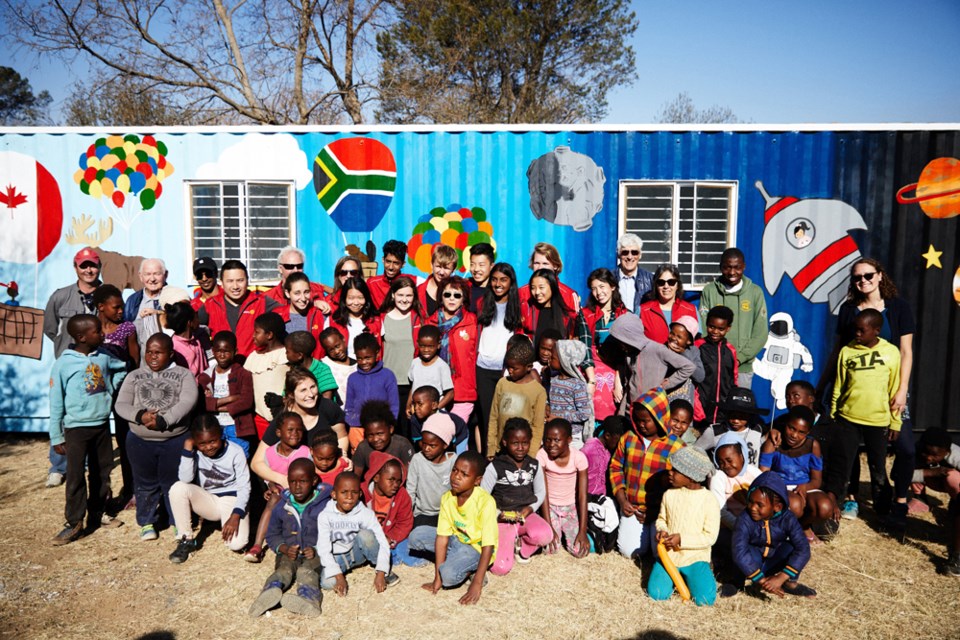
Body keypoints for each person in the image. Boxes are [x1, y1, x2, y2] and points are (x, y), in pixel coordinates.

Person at [818, 258, 916, 530]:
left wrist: (903, 389)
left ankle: (898, 500)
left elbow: (906, 352)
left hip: (891, 389)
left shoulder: (899, 308)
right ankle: (850, 497)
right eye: (857, 278)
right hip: (855, 394)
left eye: (868, 275)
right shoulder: (850, 310)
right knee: (847, 448)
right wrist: (822, 385)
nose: (863, 281)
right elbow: (839, 352)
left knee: (905, 448)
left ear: (880, 275)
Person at [48, 314, 127, 545]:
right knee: (74, 477)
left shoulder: (104, 357)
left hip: (101, 425)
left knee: (102, 472)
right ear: (82, 337)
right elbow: (56, 401)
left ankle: (97, 512)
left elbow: (121, 367)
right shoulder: (64, 363)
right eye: (97, 331)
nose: (103, 334)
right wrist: (56, 435)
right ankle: (73, 523)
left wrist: (111, 389)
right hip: (76, 429)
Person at [115, 333, 199, 542]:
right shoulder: (134, 376)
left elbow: (188, 400)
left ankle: (177, 521)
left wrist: (164, 420)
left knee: (173, 482)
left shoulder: (183, 374)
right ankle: (147, 522)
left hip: (174, 439)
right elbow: (121, 404)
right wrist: (139, 416)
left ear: (170, 353)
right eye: (149, 352)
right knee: (145, 483)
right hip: (140, 441)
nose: (152, 357)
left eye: (158, 353)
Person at [831, 308, 901, 522]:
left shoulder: (891, 352)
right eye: (855, 330)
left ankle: (882, 507)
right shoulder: (847, 351)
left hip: (878, 420)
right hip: (848, 418)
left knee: (877, 466)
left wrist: (895, 422)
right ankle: (847, 501)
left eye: (862, 330)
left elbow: (895, 389)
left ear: (876, 331)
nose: (857, 334)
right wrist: (834, 412)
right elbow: (839, 386)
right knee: (847, 463)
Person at [43, 247, 104, 487]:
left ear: (99, 267)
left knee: (91, 410)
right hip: (69, 366)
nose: (89, 270)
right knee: (61, 411)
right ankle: (58, 466)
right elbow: (50, 328)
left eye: (93, 265)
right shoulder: (61, 296)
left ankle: (89, 461)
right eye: (84, 265)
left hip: (96, 364)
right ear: (75, 267)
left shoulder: (107, 294)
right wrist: (65, 352)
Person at [248, 458, 332, 618]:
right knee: (283, 570)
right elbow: (272, 534)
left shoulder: (325, 505)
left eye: (303, 481)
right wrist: (284, 548)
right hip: (289, 552)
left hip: (316, 553)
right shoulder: (282, 505)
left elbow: (333, 533)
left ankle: (309, 600)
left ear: (314, 481)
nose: (297, 486)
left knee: (306, 572)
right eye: (292, 482)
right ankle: (268, 593)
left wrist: (316, 548)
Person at [610, 387, 685, 559]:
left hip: (662, 512)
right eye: (637, 420)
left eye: (646, 421)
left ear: (660, 418)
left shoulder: (676, 446)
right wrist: (622, 500)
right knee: (630, 552)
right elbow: (615, 467)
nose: (641, 425)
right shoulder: (629, 438)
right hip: (633, 508)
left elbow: (681, 486)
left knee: (661, 554)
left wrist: (656, 511)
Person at [167, 415, 251, 563]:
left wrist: (236, 515)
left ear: (221, 435)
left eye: (213, 441)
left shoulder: (235, 452)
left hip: (232, 499)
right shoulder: (195, 452)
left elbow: (244, 487)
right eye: (202, 443)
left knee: (237, 544)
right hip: (209, 499)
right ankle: (185, 539)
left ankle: (228, 520)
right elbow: (185, 479)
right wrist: (188, 448)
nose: (208, 447)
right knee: (178, 488)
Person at [419, 451, 498, 605]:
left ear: (477, 480)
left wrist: (476, 583)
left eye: (464, 474)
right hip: (456, 541)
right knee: (417, 535)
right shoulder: (448, 498)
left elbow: (489, 545)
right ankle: (455, 559)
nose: (456, 476)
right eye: (455, 470)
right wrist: (437, 577)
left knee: (448, 576)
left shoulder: (486, 502)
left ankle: (470, 569)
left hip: (477, 548)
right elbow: (442, 537)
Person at [649, 446, 721, 606]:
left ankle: (691, 576)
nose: (670, 472)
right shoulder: (669, 494)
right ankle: (676, 578)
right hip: (669, 557)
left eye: (675, 470)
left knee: (705, 600)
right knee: (657, 594)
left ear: (692, 477)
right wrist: (662, 531)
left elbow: (710, 536)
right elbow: (662, 519)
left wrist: (682, 539)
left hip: (695, 558)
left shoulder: (709, 500)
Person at [479, 418, 551, 573]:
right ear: (505, 442)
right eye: (515, 443)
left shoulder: (534, 465)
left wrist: (530, 509)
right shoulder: (495, 467)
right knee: (500, 568)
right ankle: (507, 541)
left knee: (545, 535)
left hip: (526, 516)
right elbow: (483, 497)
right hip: (502, 518)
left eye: (525, 443)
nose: (520, 448)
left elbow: (540, 492)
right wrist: (499, 515)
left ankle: (522, 548)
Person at [732, 471, 815, 597]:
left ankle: (789, 583)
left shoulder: (788, 518)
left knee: (792, 548)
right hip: (754, 562)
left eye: (760, 505)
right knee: (743, 551)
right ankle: (737, 582)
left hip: (774, 560)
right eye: (750, 501)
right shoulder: (745, 518)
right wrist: (762, 581)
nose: (753, 508)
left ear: (778, 507)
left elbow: (803, 549)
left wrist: (780, 578)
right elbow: (739, 551)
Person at [93, 284, 139, 506]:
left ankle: (131, 489)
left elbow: (135, 361)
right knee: (100, 444)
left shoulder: (127, 328)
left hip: (122, 392)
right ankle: (102, 493)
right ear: (101, 307)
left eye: (122, 307)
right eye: (116, 307)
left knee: (125, 440)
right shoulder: (91, 329)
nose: (121, 311)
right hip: (96, 393)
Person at [697, 248, 767, 391]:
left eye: (737, 267)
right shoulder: (710, 291)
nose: (732, 272)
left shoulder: (755, 292)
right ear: (721, 267)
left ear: (744, 267)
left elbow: (760, 333)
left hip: (742, 368)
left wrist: (738, 358)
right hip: (712, 366)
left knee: (736, 411)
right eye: (727, 267)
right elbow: (703, 327)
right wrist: (713, 358)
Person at [761, 406, 833, 545]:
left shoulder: (813, 445)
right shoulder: (774, 442)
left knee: (825, 507)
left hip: (805, 486)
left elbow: (817, 480)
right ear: (785, 424)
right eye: (791, 428)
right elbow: (764, 475)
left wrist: (804, 487)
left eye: (801, 432)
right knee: (794, 504)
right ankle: (786, 533)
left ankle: (803, 526)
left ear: (809, 432)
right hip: (779, 486)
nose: (794, 435)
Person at [317, 472, 397, 593]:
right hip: (340, 556)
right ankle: (344, 569)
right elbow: (323, 549)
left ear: (359, 494)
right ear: (334, 494)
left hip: (358, 552)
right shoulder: (325, 516)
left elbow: (382, 541)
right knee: (327, 583)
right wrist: (339, 577)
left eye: (354, 493)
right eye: (344, 492)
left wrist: (381, 573)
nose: (349, 497)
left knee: (366, 535)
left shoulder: (365, 513)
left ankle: (384, 569)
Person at [248, 412, 312, 562]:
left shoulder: (305, 452)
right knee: (273, 501)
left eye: (299, 430)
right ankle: (257, 546)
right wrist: (271, 486)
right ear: (278, 432)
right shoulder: (269, 453)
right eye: (290, 430)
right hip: (279, 495)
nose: (295, 434)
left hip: (301, 495)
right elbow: (268, 476)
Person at [475, 262, 523, 456]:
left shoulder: (519, 307)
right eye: (494, 279)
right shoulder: (482, 304)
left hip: (507, 372)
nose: (498, 284)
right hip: (483, 370)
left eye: (503, 280)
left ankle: (506, 459)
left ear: (511, 283)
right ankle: (489, 459)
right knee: (487, 418)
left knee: (509, 416)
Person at [605, 313, 695, 414]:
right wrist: (621, 413)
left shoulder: (657, 350)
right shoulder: (629, 355)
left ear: (632, 336)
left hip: (652, 411)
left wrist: (667, 383)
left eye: (623, 341)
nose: (621, 346)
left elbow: (688, 367)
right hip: (630, 410)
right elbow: (629, 386)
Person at [577, 268, 628, 424]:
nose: (598, 292)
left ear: (612, 286)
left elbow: (625, 352)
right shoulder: (585, 314)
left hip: (618, 368)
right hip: (592, 367)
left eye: (602, 286)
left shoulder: (624, 314)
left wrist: (618, 380)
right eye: (594, 288)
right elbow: (585, 347)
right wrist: (591, 380)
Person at [199, 260, 281, 358]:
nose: (235, 286)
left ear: (247, 280)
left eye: (240, 280)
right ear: (221, 282)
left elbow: (289, 316)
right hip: (224, 368)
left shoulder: (262, 302)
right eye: (230, 281)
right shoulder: (210, 305)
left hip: (254, 367)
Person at [406, 414, 458, 564]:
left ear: (445, 445)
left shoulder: (454, 461)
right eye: (424, 443)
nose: (426, 448)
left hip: (447, 515)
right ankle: (445, 550)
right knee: (416, 536)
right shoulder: (417, 459)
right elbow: (411, 490)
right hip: (424, 514)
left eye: (432, 445)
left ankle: (444, 550)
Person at [426, 276, 478, 425]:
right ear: (441, 297)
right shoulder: (431, 323)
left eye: (457, 295)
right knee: (436, 435)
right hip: (436, 391)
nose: (452, 299)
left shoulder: (472, 322)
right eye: (447, 294)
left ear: (463, 299)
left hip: (462, 391)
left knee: (457, 433)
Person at [909, 428, 960, 576]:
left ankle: (956, 503)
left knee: (952, 478)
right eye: (927, 453)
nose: (929, 458)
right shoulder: (913, 451)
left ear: (947, 452)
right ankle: (920, 499)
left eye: (935, 455)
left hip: (952, 482)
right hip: (932, 479)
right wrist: (929, 472)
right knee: (911, 471)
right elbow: (898, 474)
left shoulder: (956, 456)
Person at [538, 418, 590, 558]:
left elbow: (582, 496)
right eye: (547, 440)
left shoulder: (579, 458)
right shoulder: (542, 456)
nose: (551, 445)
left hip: (570, 508)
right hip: (550, 507)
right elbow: (543, 492)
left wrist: (582, 531)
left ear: (569, 440)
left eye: (556, 440)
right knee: (550, 549)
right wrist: (549, 525)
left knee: (579, 551)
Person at [198, 331, 255, 458]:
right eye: (218, 351)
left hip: (236, 426)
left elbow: (246, 401)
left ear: (235, 351)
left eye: (226, 351)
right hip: (215, 426)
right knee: (218, 458)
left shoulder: (243, 374)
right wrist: (230, 399)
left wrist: (215, 405)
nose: (222, 355)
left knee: (240, 457)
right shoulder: (206, 376)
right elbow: (202, 402)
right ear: (213, 351)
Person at [381, 275, 425, 438]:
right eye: (400, 295)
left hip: (412, 384)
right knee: (391, 428)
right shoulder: (382, 319)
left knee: (409, 430)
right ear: (393, 295)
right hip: (389, 383)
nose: (404, 299)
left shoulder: (419, 319)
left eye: (408, 295)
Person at [487, 341, 547, 457]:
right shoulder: (502, 383)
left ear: (528, 367)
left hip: (523, 453)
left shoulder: (538, 391)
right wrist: (491, 448)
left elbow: (538, 426)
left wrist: (531, 455)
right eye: (508, 367)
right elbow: (494, 417)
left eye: (514, 368)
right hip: (501, 451)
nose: (510, 371)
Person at [344, 333, 399, 450]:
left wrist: (388, 426)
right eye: (359, 358)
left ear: (377, 353)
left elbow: (394, 405)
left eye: (367, 358)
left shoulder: (387, 375)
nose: (364, 362)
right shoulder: (353, 378)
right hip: (358, 428)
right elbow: (349, 407)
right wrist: (354, 423)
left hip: (381, 430)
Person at [361, 454, 415, 568]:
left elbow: (405, 523)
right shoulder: (362, 493)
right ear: (376, 477)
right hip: (368, 539)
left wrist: (391, 537)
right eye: (391, 480)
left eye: (398, 481)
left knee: (406, 549)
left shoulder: (402, 495)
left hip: (390, 537)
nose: (395, 485)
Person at [243, 312, 289, 438]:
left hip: (282, 416)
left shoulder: (286, 355)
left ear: (269, 335)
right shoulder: (253, 357)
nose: (253, 336)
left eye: (257, 332)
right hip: (259, 418)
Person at [695, 387, 765, 466]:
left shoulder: (757, 430)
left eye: (741, 416)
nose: (736, 420)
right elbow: (694, 451)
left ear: (749, 415)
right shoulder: (715, 432)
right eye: (732, 415)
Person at [694, 306, 738, 428]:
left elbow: (734, 380)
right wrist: (698, 411)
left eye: (721, 329)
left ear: (728, 328)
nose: (715, 332)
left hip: (722, 414)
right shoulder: (697, 347)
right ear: (706, 324)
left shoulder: (730, 350)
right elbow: (691, 382)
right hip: (700, 412)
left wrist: (730, 408)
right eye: (711, 327)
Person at [352, 400, 414, 483]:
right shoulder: (363, 448)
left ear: (391, 429)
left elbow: (410, 477)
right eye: (370, 435)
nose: (375, 439)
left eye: (380, 434)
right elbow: (355, 477)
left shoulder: (402, 445)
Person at [546, 340, 593, 448]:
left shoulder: (577, 385)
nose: (549, 359)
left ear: (564, 361)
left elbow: (584, 413)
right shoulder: (553, 379)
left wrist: (559, 417)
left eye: (553, 358)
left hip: (572, 437)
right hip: (553, 433)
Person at [640, 264, 699, 344]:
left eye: (671, 282)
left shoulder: (691, 310)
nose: (666, 286)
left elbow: (698, 342)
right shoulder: (643, 311)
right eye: (661, 282)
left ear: (677, 285)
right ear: (656, 285)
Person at [329, 277, 382, 361]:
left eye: (360, 298)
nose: (356, 303)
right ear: (344, 299)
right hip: (342, 371)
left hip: (370, 371)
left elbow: (381, 350)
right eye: (351, 298)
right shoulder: (333, 321)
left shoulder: (376, 320)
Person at [518, 243, 581, 312]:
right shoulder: (522, 292)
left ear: (555, 266)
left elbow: (575, 321)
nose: (540, 267)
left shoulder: (569, 295)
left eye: (545, 263)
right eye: (536, 263)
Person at [521, 269, 578, 346]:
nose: (537, 292)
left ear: (552, 286)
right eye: (533, 288)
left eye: (541, 287)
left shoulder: (568, 316)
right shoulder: (527, 311)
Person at [406, 325, 453, 415]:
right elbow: (413, 386)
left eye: (430, 346)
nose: (426, 350)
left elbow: (450, 393)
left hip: (435, 415)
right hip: (417, 412)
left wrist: (436, 409)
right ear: (418, 343)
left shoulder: (441, 366)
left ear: (438, 345)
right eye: (422, 346)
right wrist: (408, 405)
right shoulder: (415, 363)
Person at [124, 258, 169, 353]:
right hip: (141, 359)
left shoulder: (175, 296)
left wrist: (159, 314)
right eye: (148, 274)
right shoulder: (132, 300)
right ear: (141, 277)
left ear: (165, 275)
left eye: (157, 274)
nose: (152, 279)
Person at [408, 386, 470, 454]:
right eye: (414, 404)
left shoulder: (444, 420)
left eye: (420, 404)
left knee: (458, 458)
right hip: (437, 443)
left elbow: (451, 445)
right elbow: (419, 440)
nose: (416, 408)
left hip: (460, 435)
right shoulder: (414, 419)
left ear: (434, 405)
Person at [277, 272, 325, 349]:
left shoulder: (320, 314)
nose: (303, 298)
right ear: (287, 293)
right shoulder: (277, 316)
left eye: (306, 292)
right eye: (297, 293)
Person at [284, 331, 338, 400]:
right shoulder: (293, 371)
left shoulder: (322, 369)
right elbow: (287, 396)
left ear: (299, 355)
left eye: (287, 351)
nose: (285, 353)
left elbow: (327, 399)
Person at [165, 301, 207, 381]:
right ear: (189, 323)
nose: (198, 320)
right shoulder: (174, 346)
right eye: (196, 317)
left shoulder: (196, 340)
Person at [614, 233, 654, 314]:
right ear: (618, 255)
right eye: (625, 252)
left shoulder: (651, 280)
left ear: (640, 255)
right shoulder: (609, 279)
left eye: (634, 252)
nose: (630, 257)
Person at [417, 244, 458, 316]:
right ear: (431, 265)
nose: (441, 272)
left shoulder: (459, 292)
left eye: (446, 268)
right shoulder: (418, 291)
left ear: (453, 269)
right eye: (438, 266)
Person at [366, 239, 409, 309]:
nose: (391, 267)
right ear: (383, 260)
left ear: (403, 264)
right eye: (388, 261)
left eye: (396, 263)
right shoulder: (372, 283)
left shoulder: (410, 283)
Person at [319, 328, 356, 405]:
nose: (337, 351)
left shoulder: (357, 364)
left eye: (337, 346)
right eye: (331, 350)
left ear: (343, 339)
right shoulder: (324, 365)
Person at [467, 242, 495, 312]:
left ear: (491, 266)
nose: (476, 269)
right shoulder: (463, 287)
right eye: (472, 264)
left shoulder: (497, 290)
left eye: (481, 265)